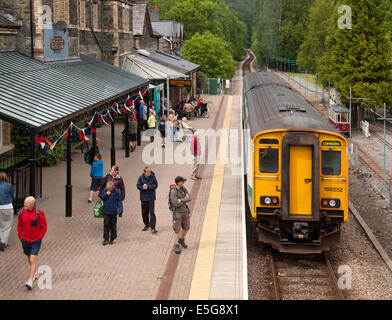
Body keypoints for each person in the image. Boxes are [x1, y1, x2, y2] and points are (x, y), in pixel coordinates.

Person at [17, 196, 47, 290]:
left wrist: (40, 237)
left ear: (32, 204)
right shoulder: (21, 213)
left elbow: (44, 226)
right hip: (25, 240)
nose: (24, 204)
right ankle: (34, 273)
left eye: (26, 203)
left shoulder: (39, 213)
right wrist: (21, 237)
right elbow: (19, 226)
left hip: (35, 240)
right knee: (29, 258)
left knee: (33, 259)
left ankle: (30, 280)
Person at [170, 176, 191, 254]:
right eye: (182, 181)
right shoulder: (173, 191)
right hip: (177, 213)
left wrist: (181, 200)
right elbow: (175, 204)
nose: (184, 182)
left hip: (185, 211)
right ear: (179, 182)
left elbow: (189, 198)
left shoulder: (183, 188)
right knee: (177, 230)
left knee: (186, 227)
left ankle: (181, 239)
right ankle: (176, 244)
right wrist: (184, 199)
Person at [100, 181, 123, 245]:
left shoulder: (116, 192)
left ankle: (112, 238)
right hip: (106, 211)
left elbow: (119, 201)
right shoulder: (105, 190)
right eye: (108, 189)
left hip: (113, 211)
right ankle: (106, 238)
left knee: (113, 225)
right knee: (106, 224)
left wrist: (120, 210)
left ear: (113, 188)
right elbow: (101, 197)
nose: (109, 190)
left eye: (110, 189)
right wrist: (106, 194)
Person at [137, 167, 158, 234]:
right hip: (143, 198)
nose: (149, 173)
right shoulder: (141, 177)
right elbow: (138, 185)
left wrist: (148, 186)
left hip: (151, 197)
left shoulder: (153, 177)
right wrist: (142, 187)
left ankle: (153, 227)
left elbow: (155, 185)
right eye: (148, 172)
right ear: (144, 172)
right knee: (144, 212)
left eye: (150, 172)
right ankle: (146, 225)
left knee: (152, 212)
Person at [0, 171, 15, 251]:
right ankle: (3, 242)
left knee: (0, 225)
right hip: (7, 207)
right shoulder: (9, 186)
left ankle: (1, 239)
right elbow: (13, 195)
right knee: (7, 225)